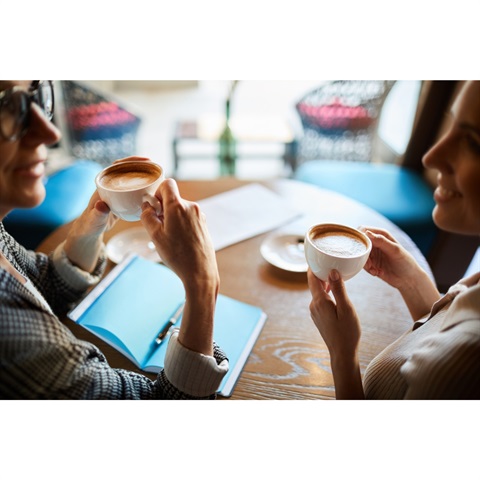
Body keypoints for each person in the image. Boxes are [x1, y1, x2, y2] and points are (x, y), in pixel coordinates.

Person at [0, 80, 228, 399]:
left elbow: (42, 284)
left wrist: (93, 221)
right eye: (10, 108)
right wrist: (203, 282)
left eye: (36, 96)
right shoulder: (12, 337)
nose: (50, 134)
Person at [307, 80, 480, 399]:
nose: (433, 156)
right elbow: (440, 337)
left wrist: (342, 354)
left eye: (472, 142)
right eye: (452, 124)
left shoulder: (466, 362)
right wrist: (413, 281)